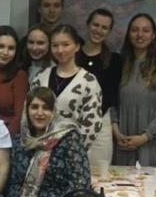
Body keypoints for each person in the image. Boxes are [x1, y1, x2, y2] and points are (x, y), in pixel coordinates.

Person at [111, 14, 156, 167]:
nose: (140, 35)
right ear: (128, 34)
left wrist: (145, 137)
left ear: (153, 35)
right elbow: (111, 101)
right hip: (124, 143)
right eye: (135, 30)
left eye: (146, 30)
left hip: (153, 144)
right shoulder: (119, 64)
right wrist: (116, 132)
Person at [33, 25, 104, 163]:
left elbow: (92, 125)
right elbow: (28, 115)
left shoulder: (88, 81)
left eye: (66, 45)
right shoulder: (41, 77)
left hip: (73, 156)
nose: (60, 50)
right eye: (55, 45)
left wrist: (70, 152)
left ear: (77, 46)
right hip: (39, 152)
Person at [76, 8, 121, 112]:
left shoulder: (115, 61)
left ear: (109, 32)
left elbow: (111, 96)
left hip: (99, 116)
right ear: (87, 25)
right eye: (96, 25)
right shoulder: (72, 55)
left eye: (104, 28)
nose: (99, 31)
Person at [22, 24, 52, 89]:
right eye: (31, 42)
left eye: (40, 43)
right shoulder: (20, 68)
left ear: (50, 44)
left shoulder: (55, 70)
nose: (34, 48)